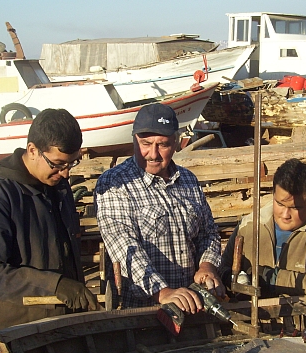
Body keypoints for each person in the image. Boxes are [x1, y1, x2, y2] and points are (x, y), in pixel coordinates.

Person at [0, 108, 97, 332]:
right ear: (33, 150)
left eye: (71, 164)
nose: (65, 173)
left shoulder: (58, 187)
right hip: (17, 330)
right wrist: (54, 285)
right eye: (57, 164)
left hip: (61, 324)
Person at [94, 103, 223, 313]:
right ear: (134, 139)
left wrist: (207, 266)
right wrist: (162, 292)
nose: (152, 154)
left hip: (192, 305)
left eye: (162, 145)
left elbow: (208, 232)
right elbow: (123, 246)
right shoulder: (114, 183)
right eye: (145, 143)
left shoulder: (188, 180)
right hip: (142, 312)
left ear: (176, 143)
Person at [220, 158, 306, 301]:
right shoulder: (249, 225)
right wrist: (235, 279)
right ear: (273, 194)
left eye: (295, 207)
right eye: (280, 204)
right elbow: (222, 268)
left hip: (305, 319)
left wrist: (274, 279)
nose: (285, 215)